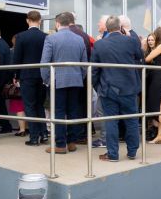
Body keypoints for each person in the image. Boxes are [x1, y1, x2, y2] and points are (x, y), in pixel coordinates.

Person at [92, 15, 144, 162]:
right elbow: (140, 55)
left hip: (108, 89)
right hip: (129, 88)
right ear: (120, 27)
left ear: (107, 29)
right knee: (131, 120)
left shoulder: (99, 44)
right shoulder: (131, 41)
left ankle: (113, 154)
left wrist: (98, 87)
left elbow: (94, 70)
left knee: (111, 122)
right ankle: (132, 152)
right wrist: (129, 36)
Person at [41, 12, 88, 154]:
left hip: (57, 81)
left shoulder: (51, 38)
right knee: (73, 111)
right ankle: (72, 142)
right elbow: (84, 64)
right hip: (76, 81)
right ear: (70, 23)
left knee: (59, 112)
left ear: (57, 23)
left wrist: (47, 80)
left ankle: (60, 145)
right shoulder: (79, 39)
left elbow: (44, 63)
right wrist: (80, 77)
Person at [13, 10, 48, 146]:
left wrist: (15, 75)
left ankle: (34, 137)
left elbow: (17, 58)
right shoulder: (46, 37)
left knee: (29, 106)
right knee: (40, 105)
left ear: (27, 20)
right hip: (42, 75)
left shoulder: (21, 37)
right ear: (40, 21)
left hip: (26, 76)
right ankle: (44, 134)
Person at [0, 27, 13, 134]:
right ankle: (5, 126)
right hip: (2, 79)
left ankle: (4, 126)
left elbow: (0, 63)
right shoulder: (3, 43)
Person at [8, 35, 27, 137]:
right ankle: (27, 128)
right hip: (28, 80)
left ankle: (22, 129)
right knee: (27, 106)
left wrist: (14, 78)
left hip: (17, 81)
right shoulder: (27, 52)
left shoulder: (12, 52)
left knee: (18, 106)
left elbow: (12, 67)